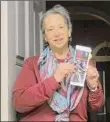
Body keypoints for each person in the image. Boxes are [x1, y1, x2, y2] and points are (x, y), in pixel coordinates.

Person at [12, 4, 104, 121]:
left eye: (61, 27)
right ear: (45, 37)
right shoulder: (32, 63)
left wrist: (93, 86)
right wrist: (54, 79)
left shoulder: (84, 62)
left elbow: (96, 106)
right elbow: (19, 103)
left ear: (69, 31)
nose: (57, 33)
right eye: (50, 29)